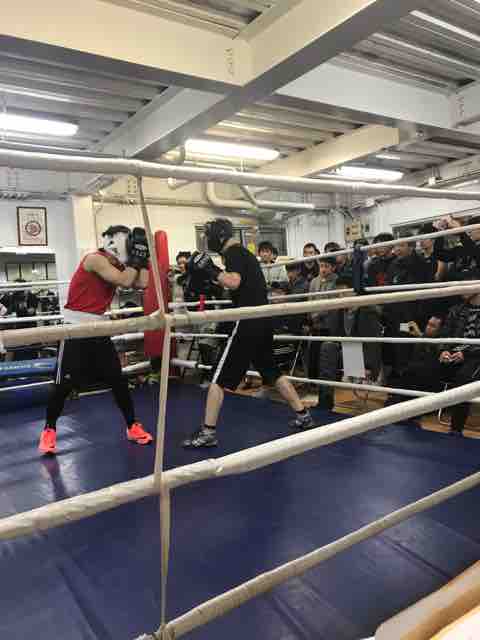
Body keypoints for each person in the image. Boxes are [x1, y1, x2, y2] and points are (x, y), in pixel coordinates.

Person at [182, 218, 315, 448]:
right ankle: (303, 415)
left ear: (219, 236)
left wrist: (211, 269)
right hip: (262, 320)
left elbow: (233, 282)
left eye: (209, 236)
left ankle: (207, 432)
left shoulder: (234, 253)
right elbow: (237, 286)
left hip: (247, 322)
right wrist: (212, 279)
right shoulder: (243, 255)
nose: (207, 240)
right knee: (272, 371)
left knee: (217, 378)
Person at [38, 225, 154, 455]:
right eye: (129, 243)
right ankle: (49, 430)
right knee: (63, 385)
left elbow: (142, 283)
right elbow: (124, 281)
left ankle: (132, 426)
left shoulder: (119, 264)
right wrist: (136, 259)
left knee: (118, 380)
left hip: (99, 329)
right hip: (75, 330)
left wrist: (144, 258)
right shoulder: (95, 259)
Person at [433, 215, 480, 279]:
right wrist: (441, 232)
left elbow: (475, 253)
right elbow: (439, 255)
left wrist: (460, 232)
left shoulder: (471, 248)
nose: (469, 231)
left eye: (472, 228)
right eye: (468, 229)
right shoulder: (461, 249)